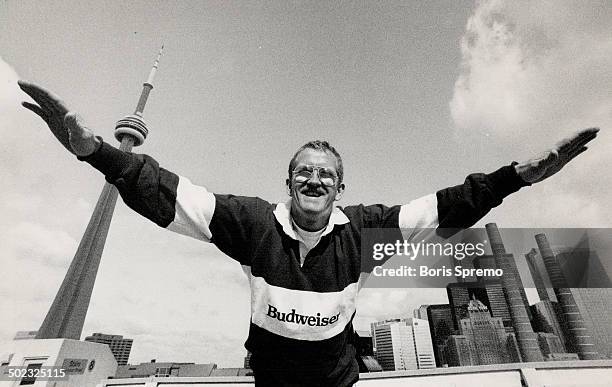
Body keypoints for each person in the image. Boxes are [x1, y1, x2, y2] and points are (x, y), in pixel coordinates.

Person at [18, 80, 599, 386]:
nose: (314, 178)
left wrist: (516, 177)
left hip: (338, 386)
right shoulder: (250, 224)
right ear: (288, 182)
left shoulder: (366, 232)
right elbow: (166, 193)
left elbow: (449, 206)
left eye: (326, 174)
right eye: (304, 170)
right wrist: (96, 153)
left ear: (339, 189)